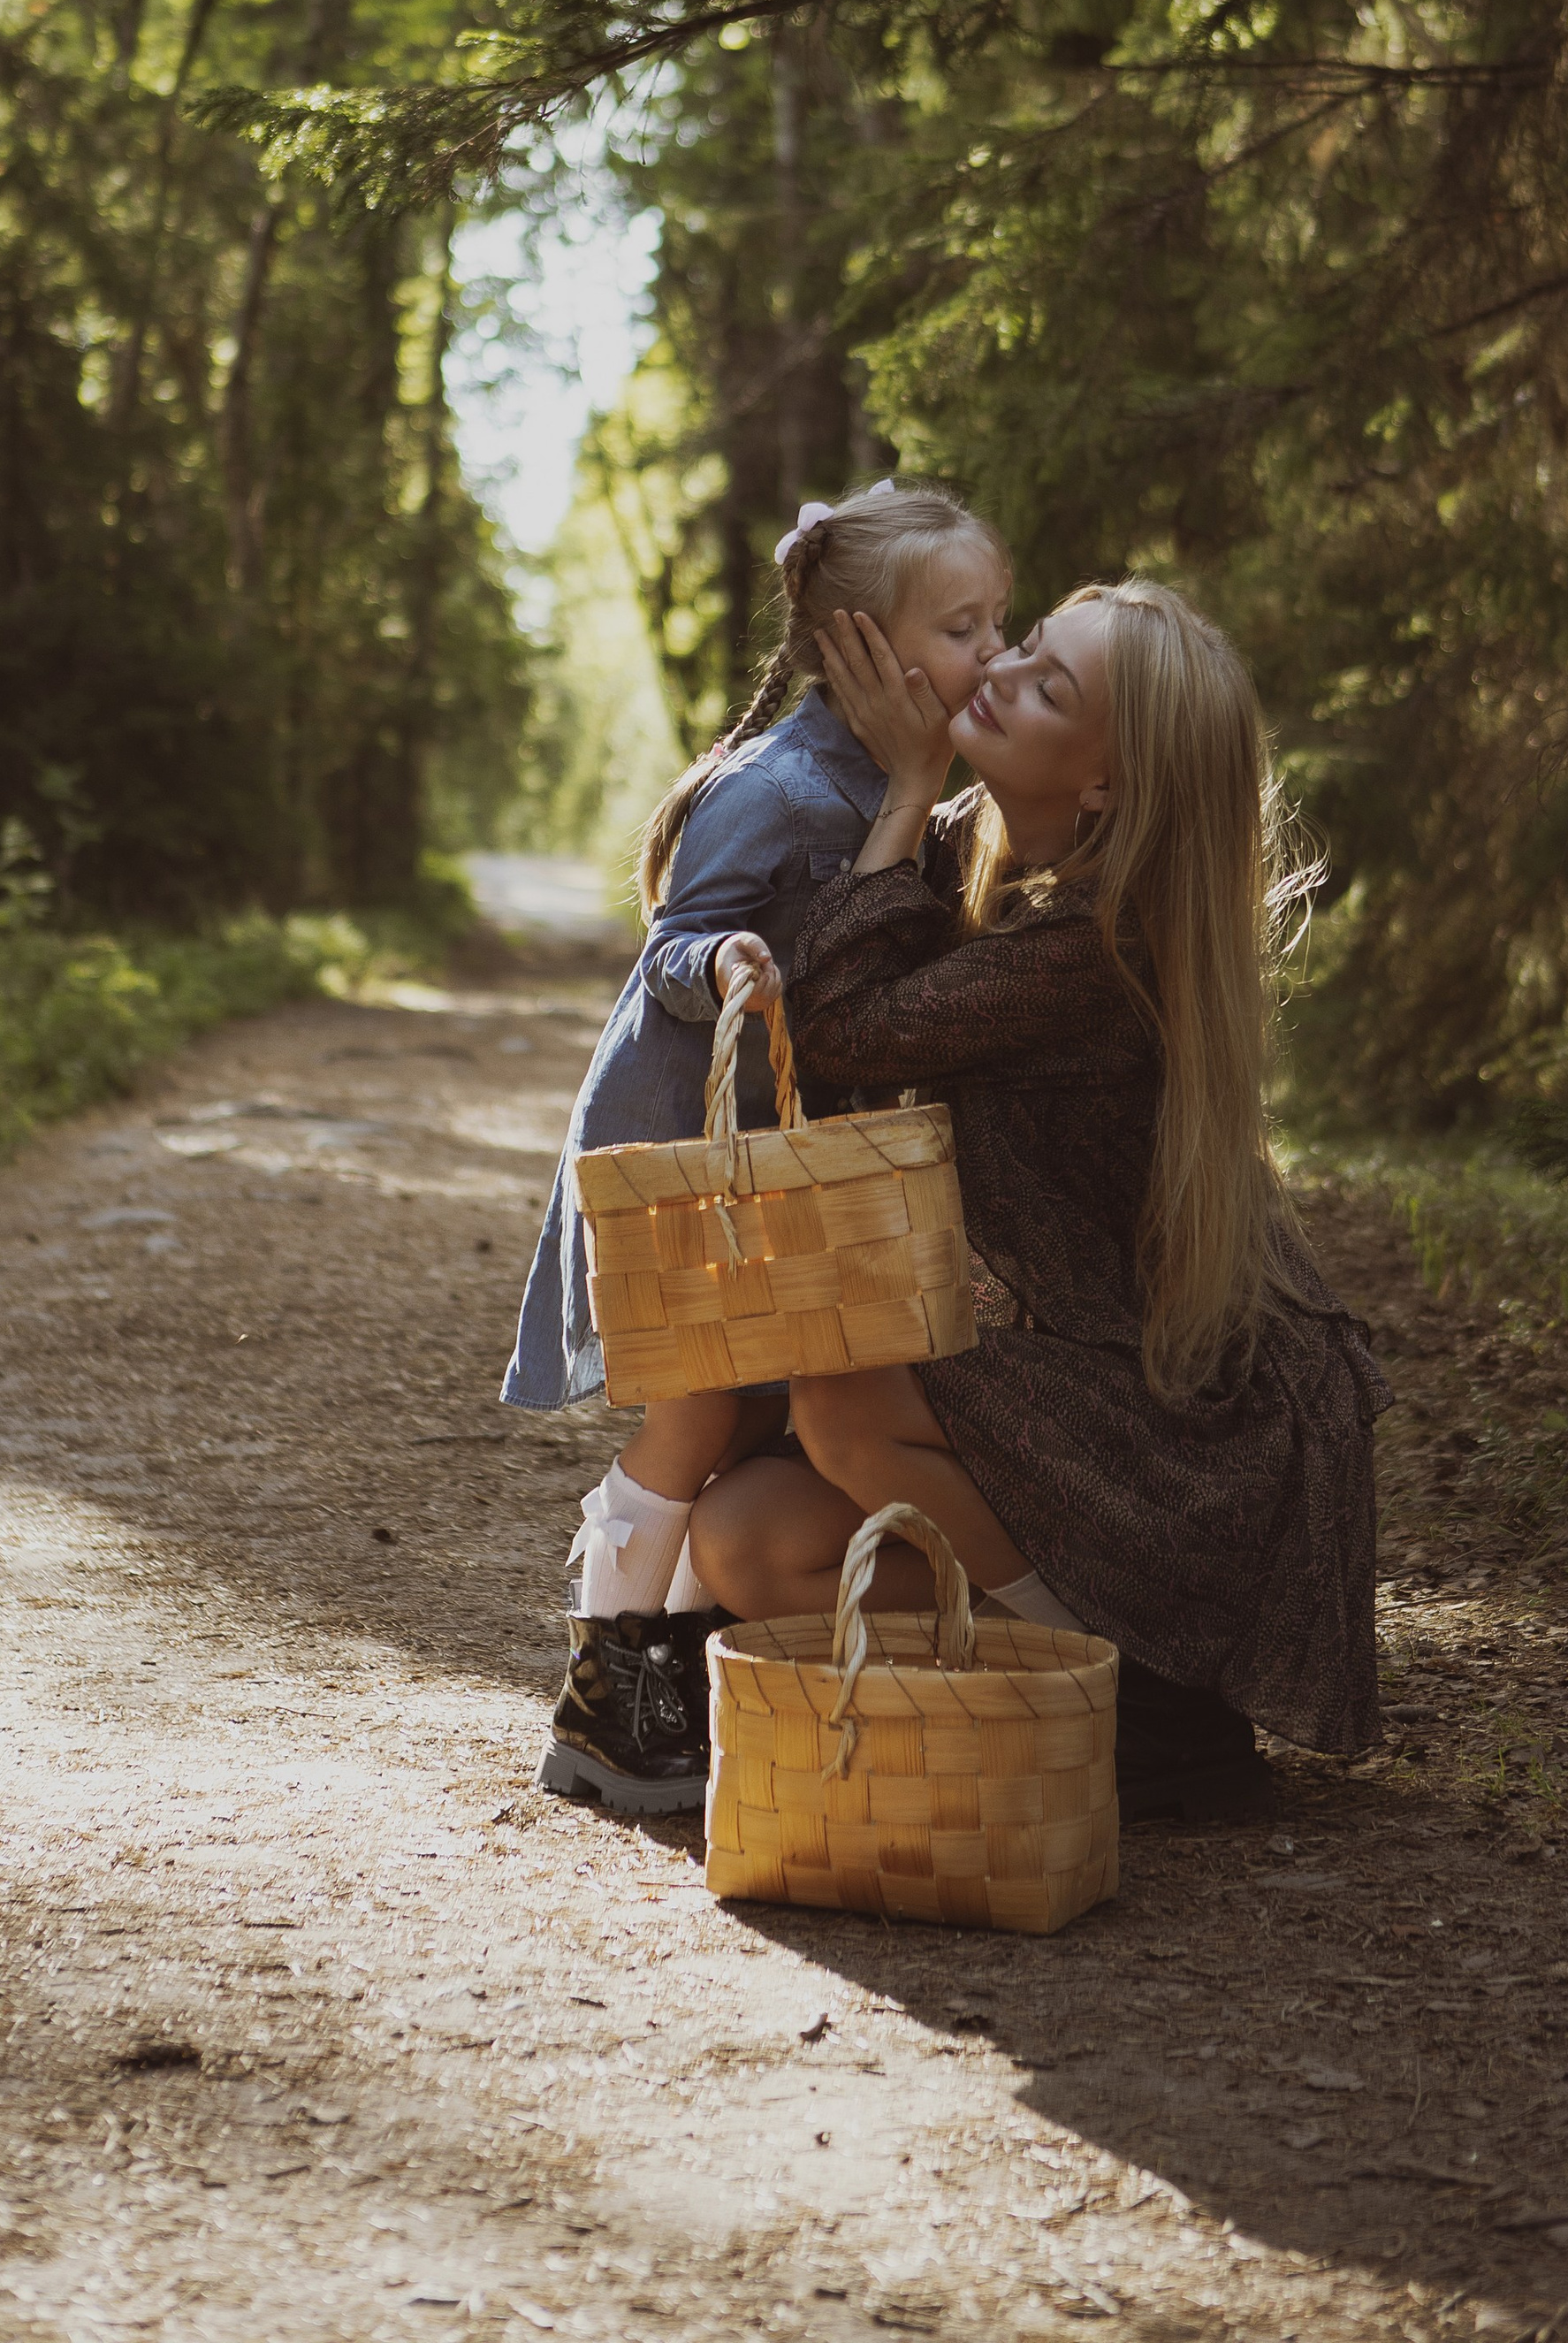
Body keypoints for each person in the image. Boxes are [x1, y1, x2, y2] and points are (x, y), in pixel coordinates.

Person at [689, 580, 1391, 1820]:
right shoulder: (994, 847)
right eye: (1019, 648)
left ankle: (1138, 1701)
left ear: (1109, 784)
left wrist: (903, 787)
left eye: (1048, 684)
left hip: (1178, 1442)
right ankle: (1051, 1663)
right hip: (1071, 1373)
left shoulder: (1106, 944)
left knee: (845, 1385)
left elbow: (844, 1025)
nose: (998, 674)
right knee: (748, 1537)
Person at [503, 479, 1011, 1813]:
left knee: (744, 1410)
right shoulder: (782, 788)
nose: (995, 655)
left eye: (999, 623)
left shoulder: (898, 782)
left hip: (774, 1162)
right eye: (966, 629)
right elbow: (671, 938)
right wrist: (724, 952)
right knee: (700, 1405)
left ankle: (671, 1669)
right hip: (693, 1155)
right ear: (863, 648)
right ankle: (608, 1684)